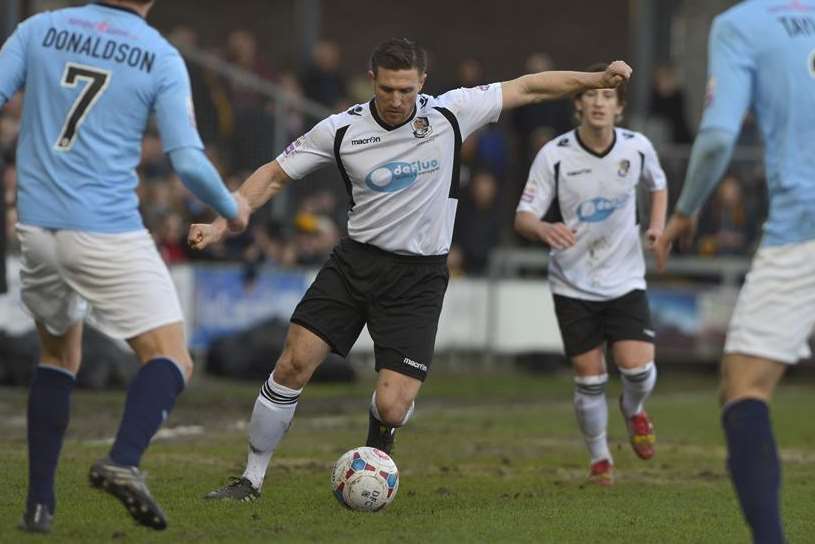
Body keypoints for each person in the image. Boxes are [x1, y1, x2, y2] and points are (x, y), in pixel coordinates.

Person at [189, 37, 632, 501]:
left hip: (418, 278)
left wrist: (594, 79)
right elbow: (275, 173)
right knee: (293, 362)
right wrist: (223, 221)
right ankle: (251, 478)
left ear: (422, 83)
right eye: (387, 90)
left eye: (405, 89)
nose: (397, 100)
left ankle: (378, 447)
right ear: (372, 81)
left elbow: (530, 88)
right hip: (354, 264)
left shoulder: (450, 113)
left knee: (394, 406)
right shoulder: (340, 130)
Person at [0, 0, 249, 533]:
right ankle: (124, 459)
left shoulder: (38, 29)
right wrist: (233, 207)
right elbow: (186, 161)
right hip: (105, 229)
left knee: (58, 355)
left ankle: (38, 506)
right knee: (172, 357)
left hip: (37, 230)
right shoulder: (159, 55)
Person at [654, 2, 815, 542]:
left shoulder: (742, 25)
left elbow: (719, 135)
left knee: (745, 386)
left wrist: (684, 211)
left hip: (804, 227)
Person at [514, 64, 667, 485]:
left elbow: (658, 184)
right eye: (592, 97)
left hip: (625, 278)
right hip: (572, 282)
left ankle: (634, 410)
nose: (599, 104)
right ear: (578, 105)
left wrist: (656, 225)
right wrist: (544, 228)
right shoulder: (555, 155)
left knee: (637, 370)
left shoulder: (637, 148)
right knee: (591, 378)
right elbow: (523, 216)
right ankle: (600, 459)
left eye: (608, 98)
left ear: (619, 109)